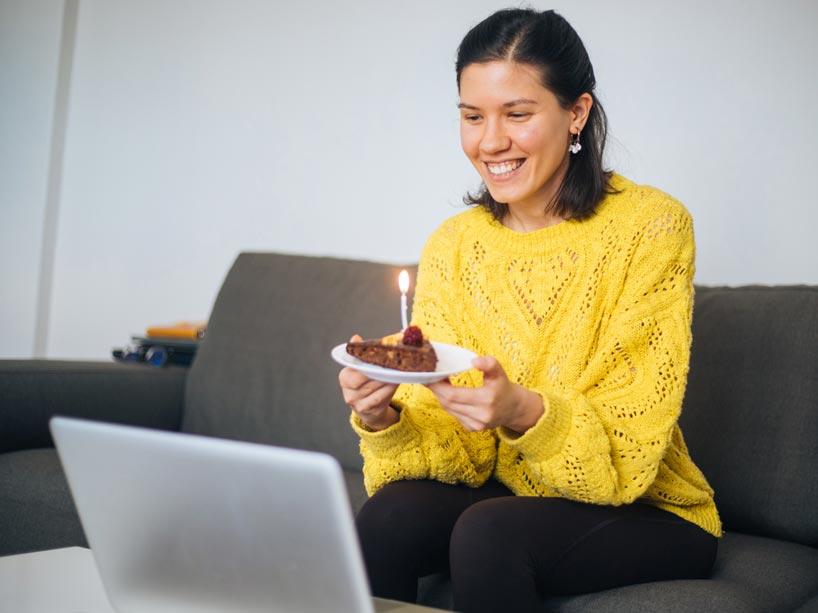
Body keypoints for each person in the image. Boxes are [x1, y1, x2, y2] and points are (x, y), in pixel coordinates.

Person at [338, 8, 721, 613]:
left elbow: (626, 457)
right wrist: (387, 416)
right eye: (472, 117)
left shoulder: (652, 227)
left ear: (577, 112)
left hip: (649, 512)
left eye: (517, 114)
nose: (490, 142)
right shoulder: (455, 244)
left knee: (489, 530)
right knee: (388, 515)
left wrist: (521, 407)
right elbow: (463, 457)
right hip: (510, 491)